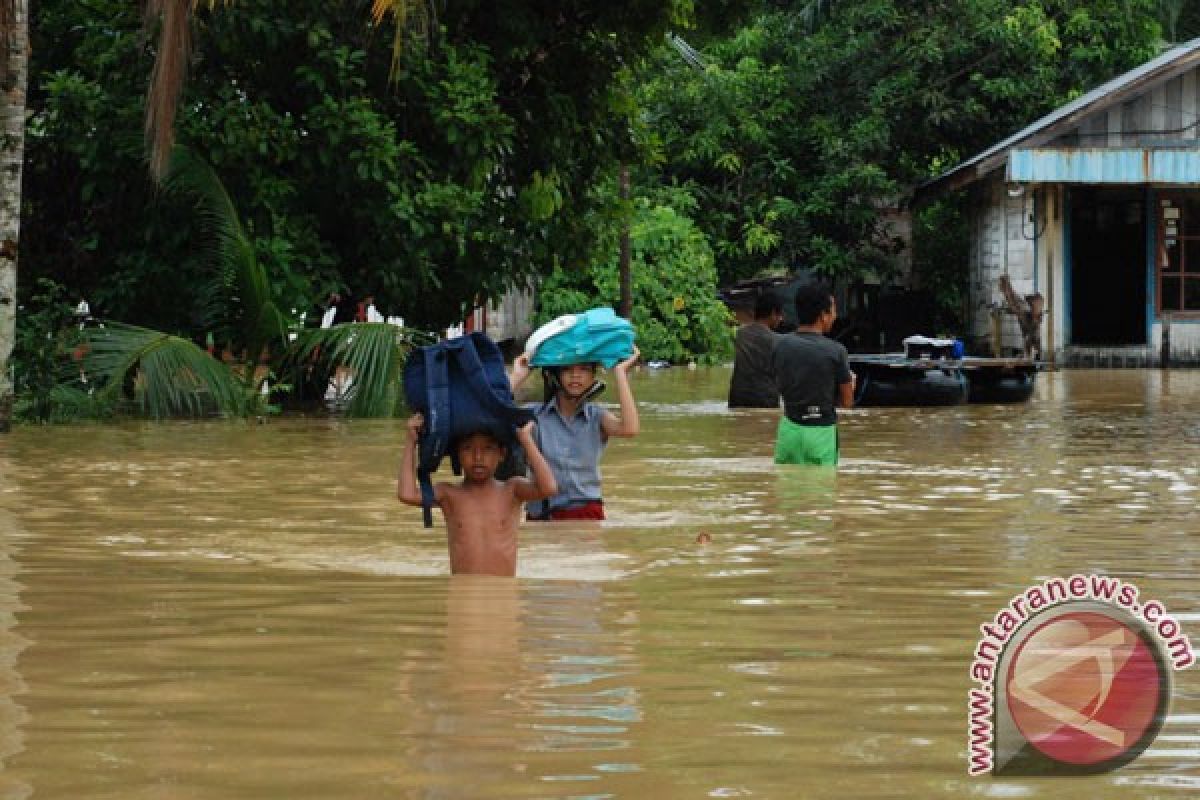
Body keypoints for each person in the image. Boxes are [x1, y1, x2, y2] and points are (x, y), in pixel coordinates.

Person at [397, 415, 558, 576]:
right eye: (467, 448)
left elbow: (549, 487)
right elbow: (407, 494)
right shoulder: (449, 494)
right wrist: (411, 442)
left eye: (488, 449)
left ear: (502, 454)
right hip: (463, 594)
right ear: (457, 455)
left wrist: (526, 439)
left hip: (502, 594)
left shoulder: (512, 490)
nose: (478, 458)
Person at [508, 346, 640, 520]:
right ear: (555, 375)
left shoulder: (596, 417)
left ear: (593, 376)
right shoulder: (534, 416)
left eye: (584, 369)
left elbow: (630, 429)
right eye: (567, 369)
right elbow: (487, 414)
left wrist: (620, 372)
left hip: (587, 511)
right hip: (542, 514)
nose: (575, 375)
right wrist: (518, 376)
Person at [771, 283, 856, 466]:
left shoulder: (780, 346)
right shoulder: (836, 351)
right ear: (823, 316)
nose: (835, 316)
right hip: (821, 433)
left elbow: (778, 386)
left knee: (788, 490)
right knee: (821, 491)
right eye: (833, 311)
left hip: (789, 433)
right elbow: (848, 402)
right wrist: (851, 384)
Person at [728, 291, 784, 408]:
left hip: (736, 399)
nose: (781, 319)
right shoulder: (777, 341)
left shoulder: (740, 334)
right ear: (773, 313)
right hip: (765, 401)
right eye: (780, 315)